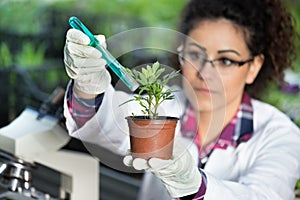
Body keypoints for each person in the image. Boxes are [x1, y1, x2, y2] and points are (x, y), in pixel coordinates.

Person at [63, 0, 300, 199]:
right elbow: (102, 123)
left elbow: (265, 195)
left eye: (226, 60)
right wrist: (88, 84)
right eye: (195, 55)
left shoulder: (279, 134)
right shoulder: (166, 104)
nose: (206, 75)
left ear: (253, 67)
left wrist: (197, 186)